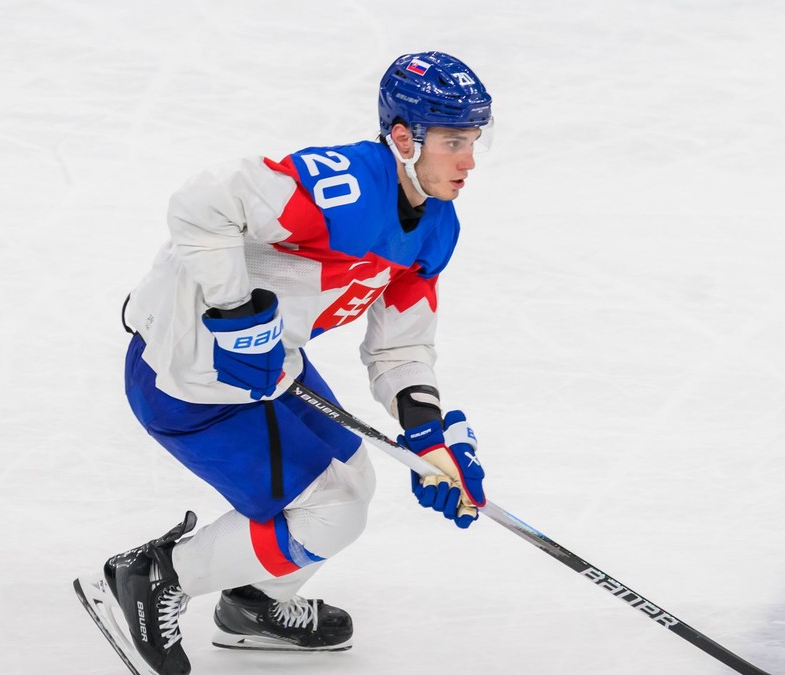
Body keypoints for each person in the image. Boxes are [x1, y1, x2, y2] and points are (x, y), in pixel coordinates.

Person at [74, 51, 493, 675]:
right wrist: (235, 311)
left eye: (475, 140)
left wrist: (427, 435)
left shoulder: (437, 226)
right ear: (403, 138)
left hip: (271, 366)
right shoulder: (343, 188)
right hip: (189, 372)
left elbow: (400, 345)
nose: (468, 160)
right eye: (452, 140)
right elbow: (202, 203)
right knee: (332, 509)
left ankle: (254, 603)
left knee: (353, 480)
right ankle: (153, 578)